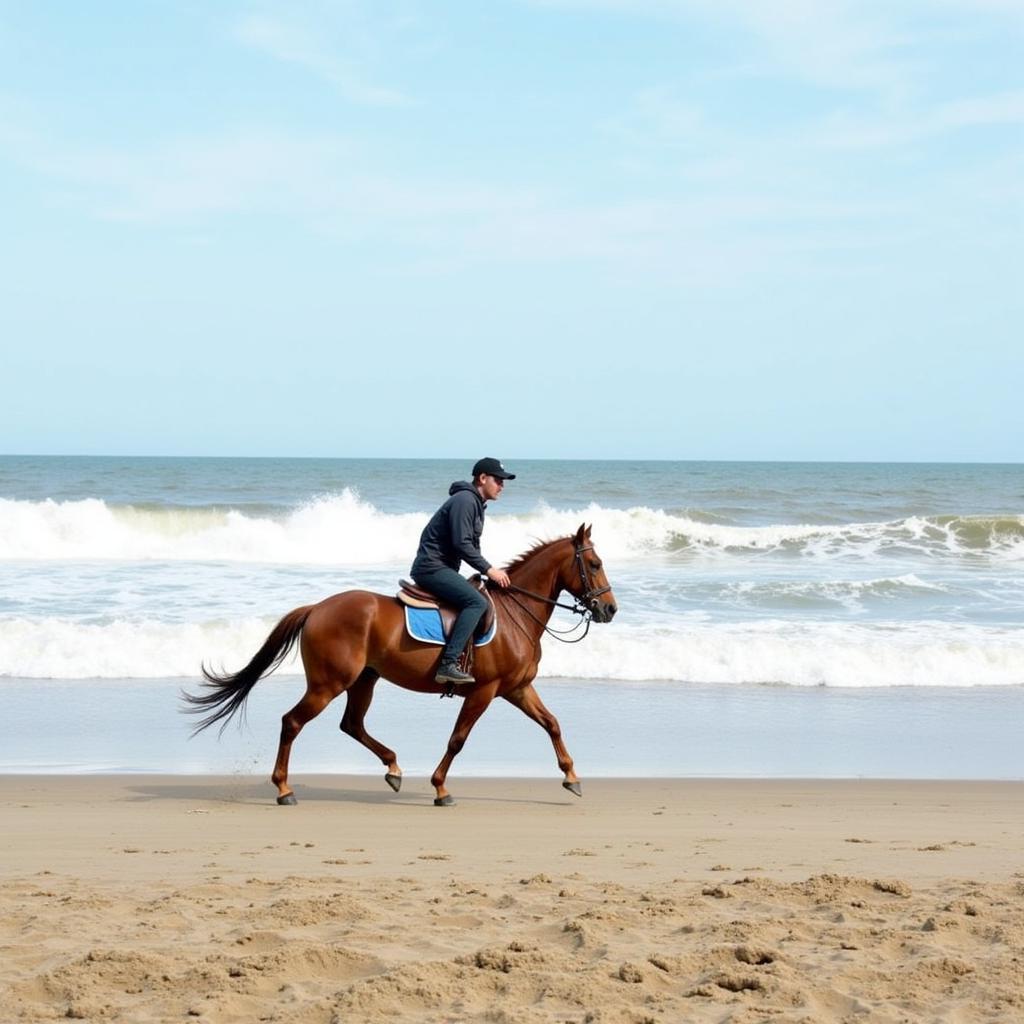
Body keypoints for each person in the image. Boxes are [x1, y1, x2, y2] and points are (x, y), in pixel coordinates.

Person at [411, 457, 515, 684]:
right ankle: (448, 663)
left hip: (442, 568)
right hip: (432, 568)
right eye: (498, 480)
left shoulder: (476, 505)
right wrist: (489, 569)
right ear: (483, 478)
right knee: (477, 603)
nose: (502, 486)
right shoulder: (465, 501)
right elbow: (462, 544)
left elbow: (472, 547)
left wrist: (488, 574)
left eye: (503, 481)